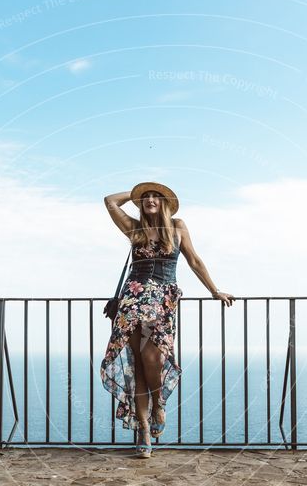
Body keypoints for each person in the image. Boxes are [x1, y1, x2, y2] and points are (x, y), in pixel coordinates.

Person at [100, 182, 235, 458]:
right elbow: (109, 201)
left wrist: (214, 290)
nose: (150, 200)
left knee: (154, 358)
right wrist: (134, 194)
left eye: (155, 196)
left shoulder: (178, 226)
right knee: (137, 364)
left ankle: (158, 404)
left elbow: (194, 261)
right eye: (146, 197)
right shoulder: (134, 227)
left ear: (165, 203)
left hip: (161, 301)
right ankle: (144, 430)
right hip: (133, 299)